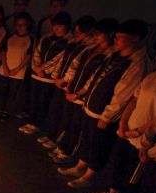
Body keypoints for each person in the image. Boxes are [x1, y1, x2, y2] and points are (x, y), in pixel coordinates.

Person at [90, 40, 156, 193]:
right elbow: (134, 100)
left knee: (134, 171)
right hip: (128, 130)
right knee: (119, 162)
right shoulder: (152, 77)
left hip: (147, 137)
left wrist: (140, 132)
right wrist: (123, 123)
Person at [59, 19, 153, 188]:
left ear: (134, 38)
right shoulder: (114, 55)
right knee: (87, 138)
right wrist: (84, 97)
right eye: (115, 36)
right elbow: (97, 77)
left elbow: (123, 94)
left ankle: (90, 175)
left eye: (119, 37)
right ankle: (80, 165)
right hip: (91, 106)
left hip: (104, 114)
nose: (115, 40)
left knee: (98, 144)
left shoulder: (136, 64)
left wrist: (107, 117)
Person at [49, 18, 117, 164]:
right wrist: (68, 83)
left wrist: (79, 93)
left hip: (83, 96)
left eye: (99, 33)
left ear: (110, 34)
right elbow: (75, 65)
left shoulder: (110, 55)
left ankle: (70, 152)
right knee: (68, 120)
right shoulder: (90, 48)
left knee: (77, 126)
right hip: (72, 90)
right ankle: (63, 146)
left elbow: (95, 79)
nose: (96, 36)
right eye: (95, 33)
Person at [36, 15, 97, 148]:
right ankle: (51, 135)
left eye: (80, 32)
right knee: (55, 110)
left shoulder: (91, 48)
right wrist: (56, 76)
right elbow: (63, 60)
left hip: (71, 86)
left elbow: (77, 67)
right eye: (76, 32)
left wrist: (66, 80)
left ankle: (59, 141)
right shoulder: (74, 43)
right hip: (61, 82)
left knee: (66, 117)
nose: (77, 34)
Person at [18, 12, 73, 135]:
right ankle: (30, 121)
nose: (56, 28)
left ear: (67, 26)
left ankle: (37, 124)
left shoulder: (69, 41)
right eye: (55, 25)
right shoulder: (46, 38)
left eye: (60, 26)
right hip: (36, 75)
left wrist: (43, 69)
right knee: (33, 100)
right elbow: (36, 53)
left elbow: (59, 59)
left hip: (49, 78)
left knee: (43, 101)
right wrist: (36, 67)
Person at [0, 13, 34, 122]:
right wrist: (5, 67)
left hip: (18, 72)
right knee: (1, 92)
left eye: (23, 24)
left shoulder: (30, 38)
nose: (20, 27)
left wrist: (17, 69)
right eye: (18, 24)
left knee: (12, 94)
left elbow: (28, 56)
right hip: (4, 69)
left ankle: (6, 112)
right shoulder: (9, 37)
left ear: (27, 25)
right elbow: (3, 52)